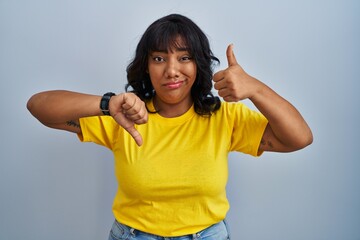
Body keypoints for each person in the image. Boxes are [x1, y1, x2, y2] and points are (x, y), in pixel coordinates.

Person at [27, 13, 313, 240]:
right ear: (146, 66)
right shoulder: (123, 116)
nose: (172, 70)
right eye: (159, 58)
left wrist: (256, 89)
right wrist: (107, 103)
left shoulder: (225, 118)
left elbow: (299, 138)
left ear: (198, 64)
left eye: (184, 57)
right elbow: (38, 106)